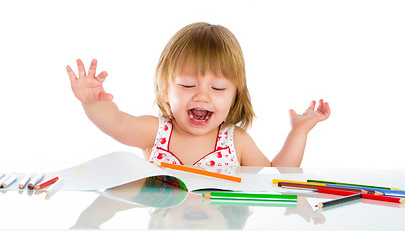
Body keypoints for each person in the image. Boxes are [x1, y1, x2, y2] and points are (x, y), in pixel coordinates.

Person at [66, 22, 330, 167]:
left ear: (236, 95)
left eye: (217, 88)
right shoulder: (155, 132)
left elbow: (275, 177)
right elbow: (118, 124)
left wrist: (298, 133)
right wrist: (93, 103)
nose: (202, 97)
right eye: (188, 85)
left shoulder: (235, 141)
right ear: (165, 89)